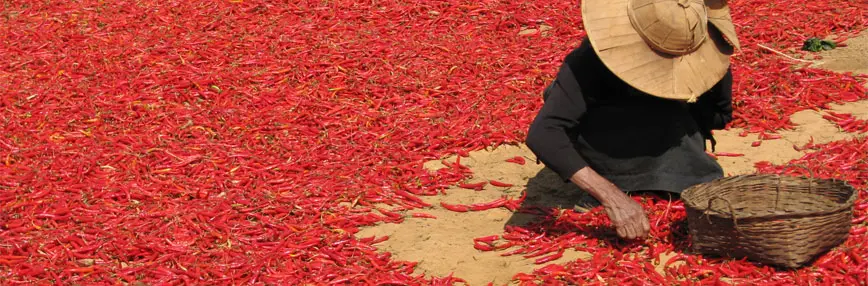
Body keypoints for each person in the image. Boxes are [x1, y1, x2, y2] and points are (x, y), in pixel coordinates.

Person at [526, 0, 741, 240]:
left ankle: (624, 179)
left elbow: (545, 132)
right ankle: (643, 177)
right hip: (682, 166)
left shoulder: (589, 59)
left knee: (558, 94)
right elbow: (719, 117)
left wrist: (611, 195)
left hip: (635, 163)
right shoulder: (591, 61)